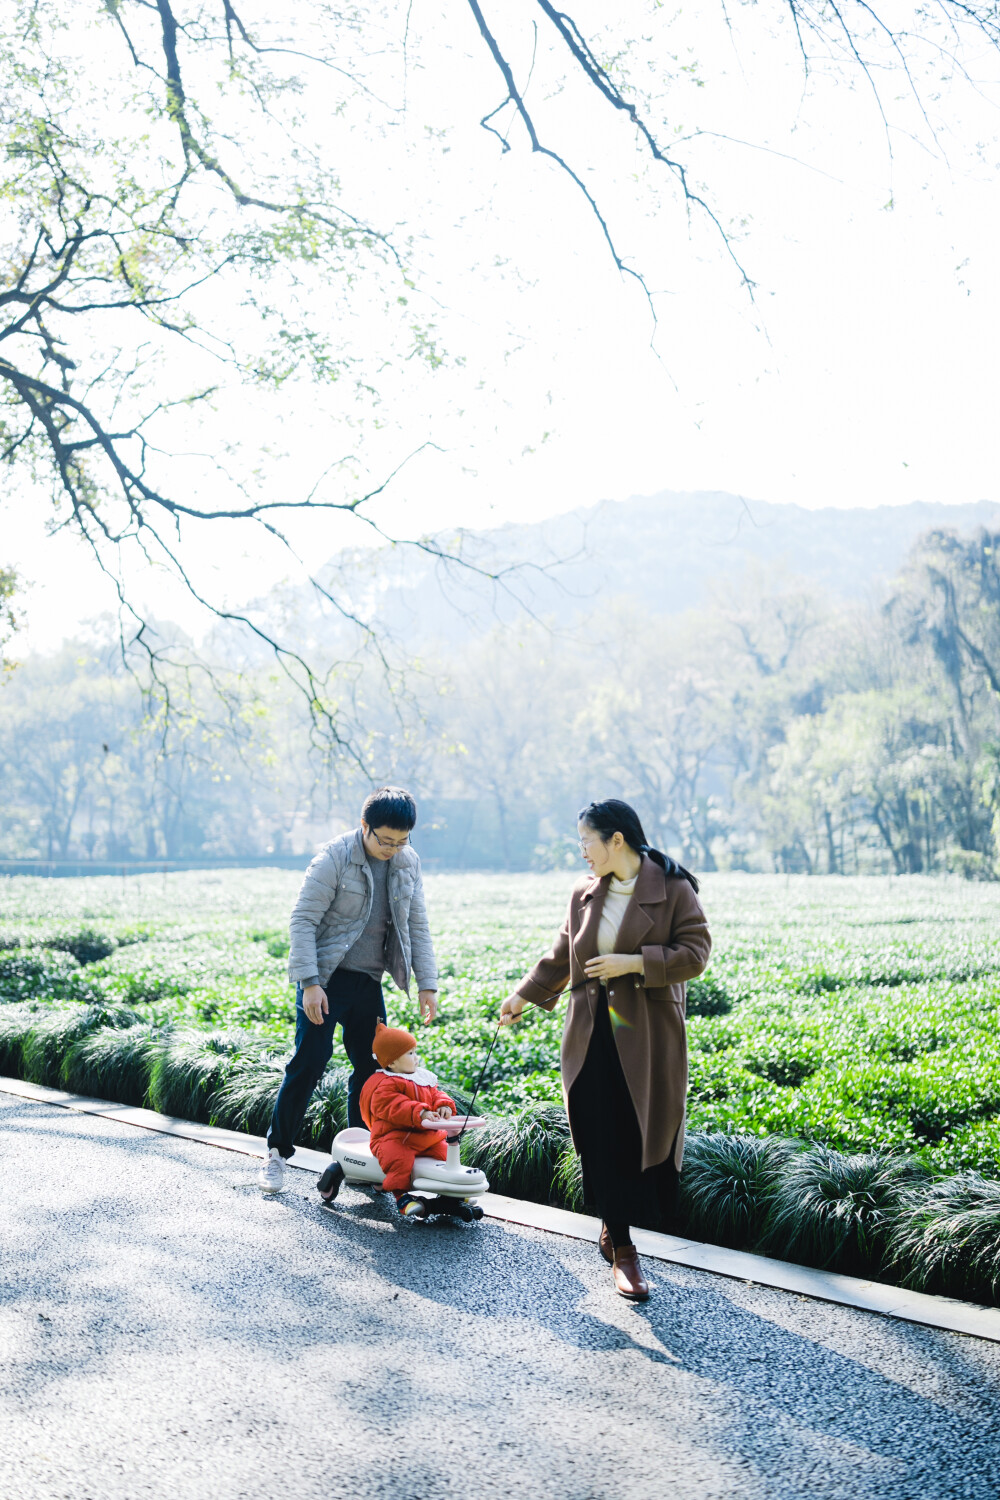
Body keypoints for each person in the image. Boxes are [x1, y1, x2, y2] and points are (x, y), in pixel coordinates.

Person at [500, 799, 711, 1302]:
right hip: (591, 1031)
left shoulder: (674, 888)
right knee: (597, 1131)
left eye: (586, 842)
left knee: (635, 1133)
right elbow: (559, 957)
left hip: (647, 1038)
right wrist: (521, 996)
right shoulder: (583, 893)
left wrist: (633, 963)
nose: (582, 853)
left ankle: (620, 1243)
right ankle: (620, 1239)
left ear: (616, 840)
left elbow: (696, 954)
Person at [259, 786, 439, 1193]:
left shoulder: (408, 862)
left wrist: (427, 983)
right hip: (326, 977)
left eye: (401, 841)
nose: (392, 848)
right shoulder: (334, 857)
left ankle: (362, 1155)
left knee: (373, 1070)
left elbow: (417, 925)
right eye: (385, 840)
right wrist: (310, 984)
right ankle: (276, 1152)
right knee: (309, 1059)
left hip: (368, 982)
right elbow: (303, 920)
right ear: (365, 826)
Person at [353, 1020, 457, 1220]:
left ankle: (452, 1190)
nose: (416, 1058)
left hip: (426, 1137)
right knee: (398, 1159)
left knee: (446, 1154)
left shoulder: (421, 1078)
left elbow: (436, 1094)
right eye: (410, 1054)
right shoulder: (386, 1084)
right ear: (392, 1062)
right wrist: (421, 1113)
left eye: (415, 1052)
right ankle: (401, 1196)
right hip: (394, 1137)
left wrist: (443, 1104)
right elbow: (394, 1105)